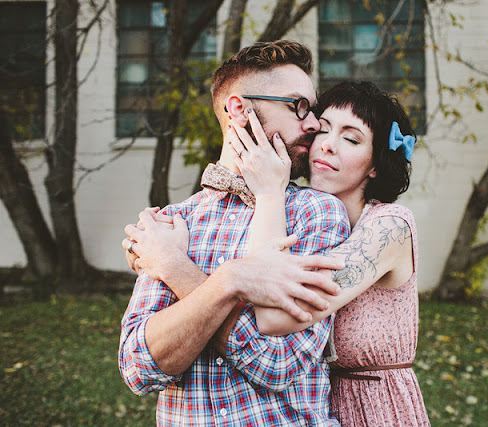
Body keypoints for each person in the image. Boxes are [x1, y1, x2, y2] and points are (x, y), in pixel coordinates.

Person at [127, 81, 430, 426]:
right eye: (323, 129)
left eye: (350, 139)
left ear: (375, 165)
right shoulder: (306, 218)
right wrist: (145, 254)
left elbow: (272, 319)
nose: (327, 145)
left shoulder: (389, 228)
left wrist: (172, 265)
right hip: (329, 408)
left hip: (377, 409)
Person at [118, 40, 351, 426]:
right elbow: (139, 369)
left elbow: (280, 363)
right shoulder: (173, 223)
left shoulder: (318, 213)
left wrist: (183, 270)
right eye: (298, 106)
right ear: (239, 109)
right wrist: (229, 283)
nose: (313, 124)